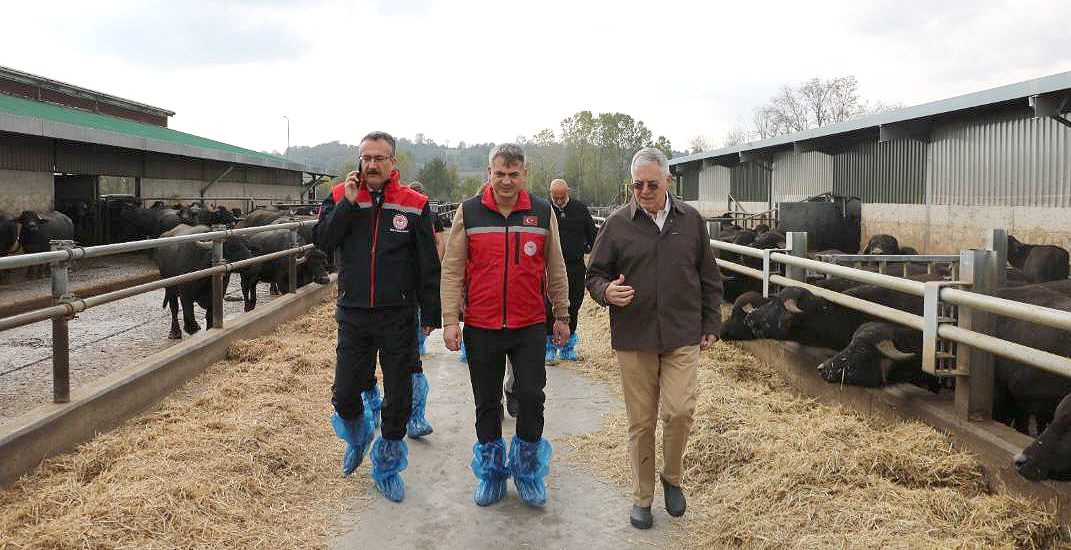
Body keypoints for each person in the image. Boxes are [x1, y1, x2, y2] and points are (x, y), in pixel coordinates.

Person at [585, 147, 723, 529]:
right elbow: (594, 275)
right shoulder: (616, 224)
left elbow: (709, 277)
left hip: (682, 333)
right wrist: (606, 292)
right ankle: (642, 498)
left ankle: (672, 478)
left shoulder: (691, 221)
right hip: (635, 336)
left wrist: (711, 322)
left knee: (679, 411)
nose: (644, 191)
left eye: (651, 184)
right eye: (637, 185)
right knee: (641, 422)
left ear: (668, 182)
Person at [440, 143, 571, 507]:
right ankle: (493, 474)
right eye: (500, 174)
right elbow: (452, 269)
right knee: (486, 401)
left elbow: (556, 267)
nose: (507, 181)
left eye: (514, 174)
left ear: (524, 175)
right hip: (481, 324)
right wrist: (451, 319)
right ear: (489, 172)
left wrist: (562, 315)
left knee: (531, 397)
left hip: (529, 323)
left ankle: (528, 472)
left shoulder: (542, 213)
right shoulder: (469, 212)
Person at [314, 131, 441, 502]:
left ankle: (386, 465)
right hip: (353, 311)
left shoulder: (415, 203)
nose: (371, 164)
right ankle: (357, 436)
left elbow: (426, 262)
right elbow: (323, 241)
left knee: (398, 398)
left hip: (398, 314)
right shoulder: (340, 196)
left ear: (393, 163)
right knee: (344, 394)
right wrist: (348, 205)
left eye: (379, 158)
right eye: (365, 157)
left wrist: (430, 312)